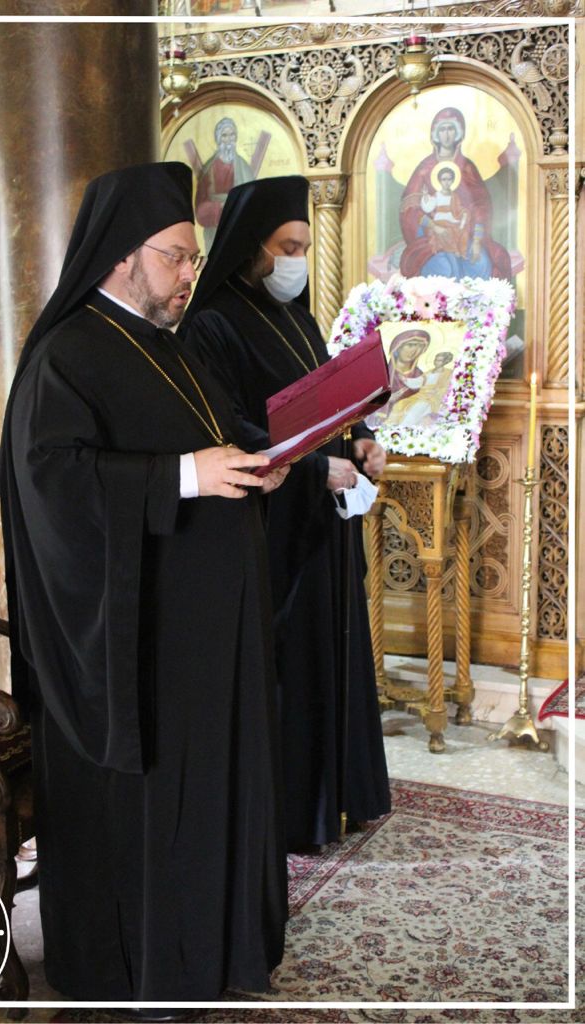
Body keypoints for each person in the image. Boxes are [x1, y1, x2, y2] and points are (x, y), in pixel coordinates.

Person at [0, 163, 290, 1018]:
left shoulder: (167, 342)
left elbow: (209, 434)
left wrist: (254, 460)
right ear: (123, 256)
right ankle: (142, 968)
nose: (190, 274)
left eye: (193, 258)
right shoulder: (65, 354)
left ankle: (214, 945)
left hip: (203, 636)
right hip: (138, 645)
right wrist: (184, 477)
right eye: (176, 258)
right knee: (154, 807)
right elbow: (54, 482)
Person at [181, 175, 391, 852]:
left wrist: (359, 440)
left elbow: (329, 404)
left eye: (303, 246)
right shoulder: (212, 323)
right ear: (252, 247)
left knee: (334, 653)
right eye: (288, 247)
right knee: (292, 667)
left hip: (321, 519)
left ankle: (341, 796)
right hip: (273, 527)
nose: (297, 260)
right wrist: (311, 470)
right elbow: (227, 426)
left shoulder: (297, 317)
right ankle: (298, 813)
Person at [399, 106, 511, 281]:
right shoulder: (425, 168)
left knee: (482, 264)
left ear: (459, 133)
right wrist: (434, 226)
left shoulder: (467, 168)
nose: (446, 134)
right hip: (432, 237)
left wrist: (476, 240)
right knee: (444, 269)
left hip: (463, 236)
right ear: (435, 134)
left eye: (451, 129)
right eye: (442, 129)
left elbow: (480, 206)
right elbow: (410, 208)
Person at [195, 117, 254, 251]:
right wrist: (220, 207)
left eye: (232, 135)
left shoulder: (244, 168)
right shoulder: (208, 170)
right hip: (214, 232)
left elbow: (253, 202)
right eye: (224, 135)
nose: (228, 140)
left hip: (238, 228)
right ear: (218, 139)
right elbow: (199, 209)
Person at [365, 327, 431, 429]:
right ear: (397, 347)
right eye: (410, 345)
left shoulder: (421, 378)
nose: (414, 351)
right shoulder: (381, 375)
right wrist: (387, 400)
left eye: (420, 347)